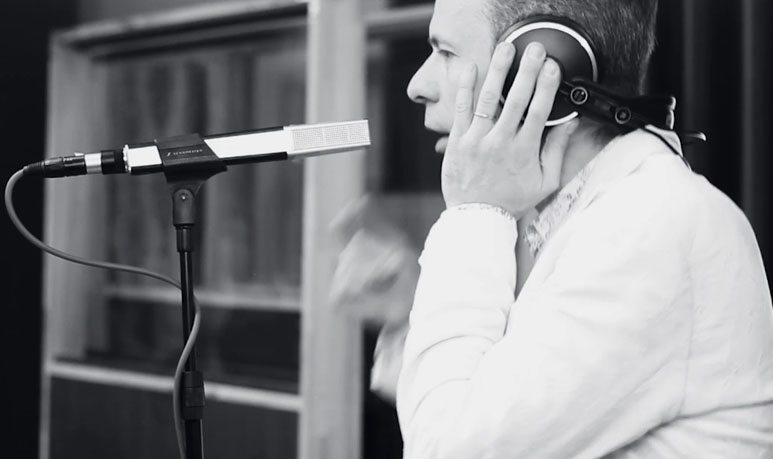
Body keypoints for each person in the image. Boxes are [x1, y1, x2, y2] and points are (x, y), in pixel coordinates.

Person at [334, 0, 773, 457]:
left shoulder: (648, 225)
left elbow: (446, 448)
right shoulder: (579, 216)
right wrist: (410, 310)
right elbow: (479, 401)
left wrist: (474, 211)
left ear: (548, 65)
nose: (416, 86)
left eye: (445, 53)